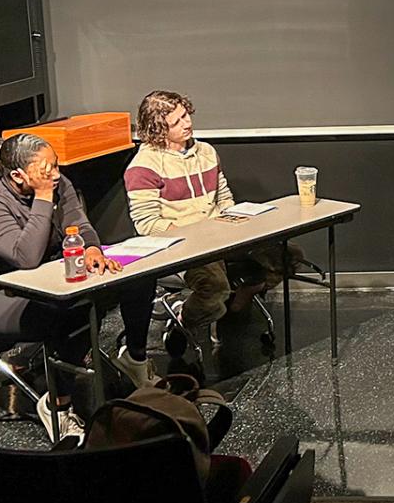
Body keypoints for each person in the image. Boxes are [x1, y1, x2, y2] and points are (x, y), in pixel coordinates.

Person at [0, 134, 159, 443]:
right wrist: (42, 197)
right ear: (17, 176)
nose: (55, 175)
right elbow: (25, 258)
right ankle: (56, 405)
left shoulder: (58, 183)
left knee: (138, 278)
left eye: (55, 166)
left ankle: (134, 360)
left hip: (50, 279)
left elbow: (79, 225)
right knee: (70, 312)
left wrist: (93, 249)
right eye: (46, 169)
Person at [123, 91, 288, 339]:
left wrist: (233, 222)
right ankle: (184, 320)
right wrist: (194, 238)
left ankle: (241, 297)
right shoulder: (143, 167)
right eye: (177, 121)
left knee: (288, 256)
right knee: (214, 291)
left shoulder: (207, 152)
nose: (187, 123)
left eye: (186, 115)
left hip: (221, 235)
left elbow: (224, 198)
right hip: (183, 248)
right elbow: (147, 223)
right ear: (158, 127)